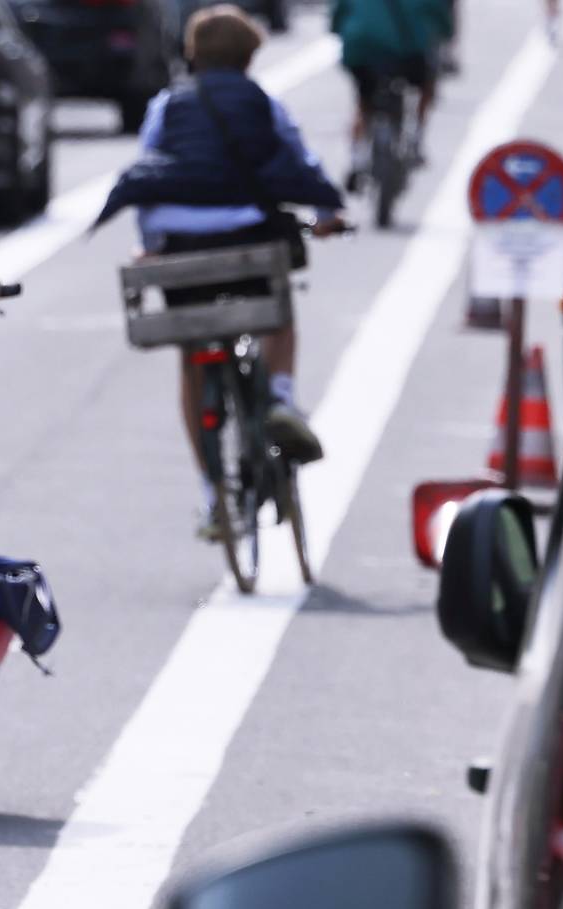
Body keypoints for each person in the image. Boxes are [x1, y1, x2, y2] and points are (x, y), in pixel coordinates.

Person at [102, 6, 347, 537]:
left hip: (181, 244)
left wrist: (154, 247)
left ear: (192, 53)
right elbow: (299, 160)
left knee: (193, 360)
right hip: (246, 239)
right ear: (250, 56)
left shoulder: (167, 105)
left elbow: (148, 173)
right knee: (277, 316)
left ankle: (213, 494)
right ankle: (280, 398)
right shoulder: (263, 102)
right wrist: (327, 217)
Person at [334, 0, 453, 181]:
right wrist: (446, 33)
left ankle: (356, 158)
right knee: (427, 84)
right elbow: (441, 17)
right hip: (409, 53)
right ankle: (416, 140)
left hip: (362, 51)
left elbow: (337, 17)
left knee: (363, 101)